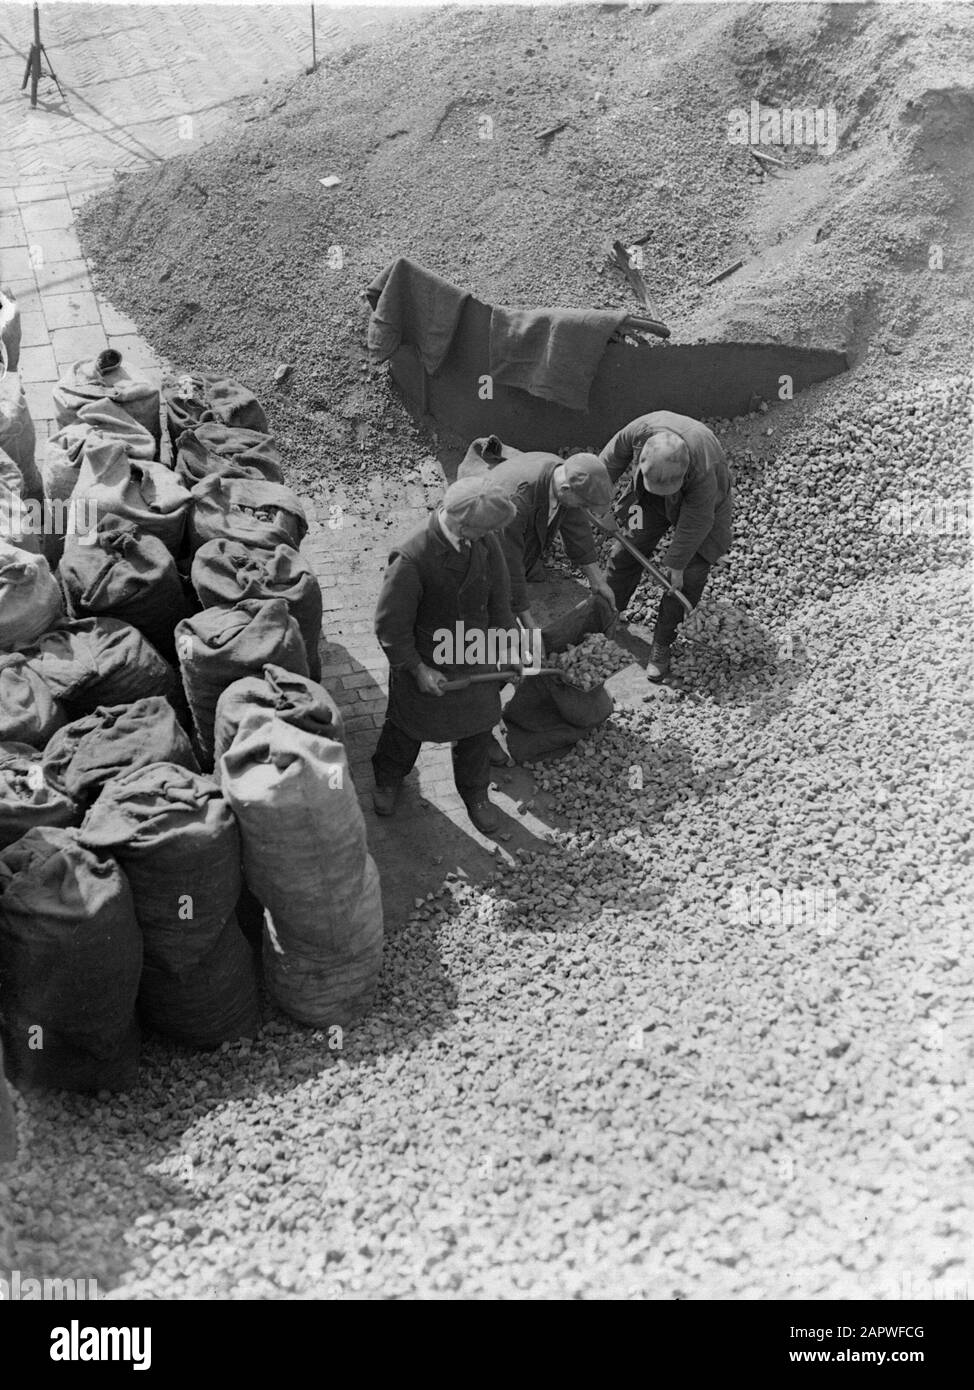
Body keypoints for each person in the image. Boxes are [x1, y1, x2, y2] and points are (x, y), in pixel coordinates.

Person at [372, 476, 519, 835]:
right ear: (462, 523)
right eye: (486, 530)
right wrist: (417, 669)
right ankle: (388, 778)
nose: (492, 535)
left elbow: (500, 599)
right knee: (407, 729)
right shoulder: (412, 556)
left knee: (477, 726)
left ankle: (476, 794)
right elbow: (391, 627)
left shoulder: (485, 540)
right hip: (426, 659)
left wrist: (510, 646)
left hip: (475, 651)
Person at [599, 411, 733, 680]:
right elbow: (604, 467)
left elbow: (697, 519)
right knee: (625, 550)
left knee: (688, 576)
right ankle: (607, 615)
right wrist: (602, 507)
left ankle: (662, 643)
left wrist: (676, 563)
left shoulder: (703, 467)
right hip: (649, 499)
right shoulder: (637, 431)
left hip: (704, 507)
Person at [488, 451, 617, 637]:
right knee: (498, 603)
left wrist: (598, 581)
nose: (583, 509)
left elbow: (576, 527)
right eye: (582, 504)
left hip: (515, 531)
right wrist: (527, 622)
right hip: (481, 545)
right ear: (566, 489)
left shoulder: (566, 473)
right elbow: (510, 564)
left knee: (530, 569)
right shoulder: (516, 504)